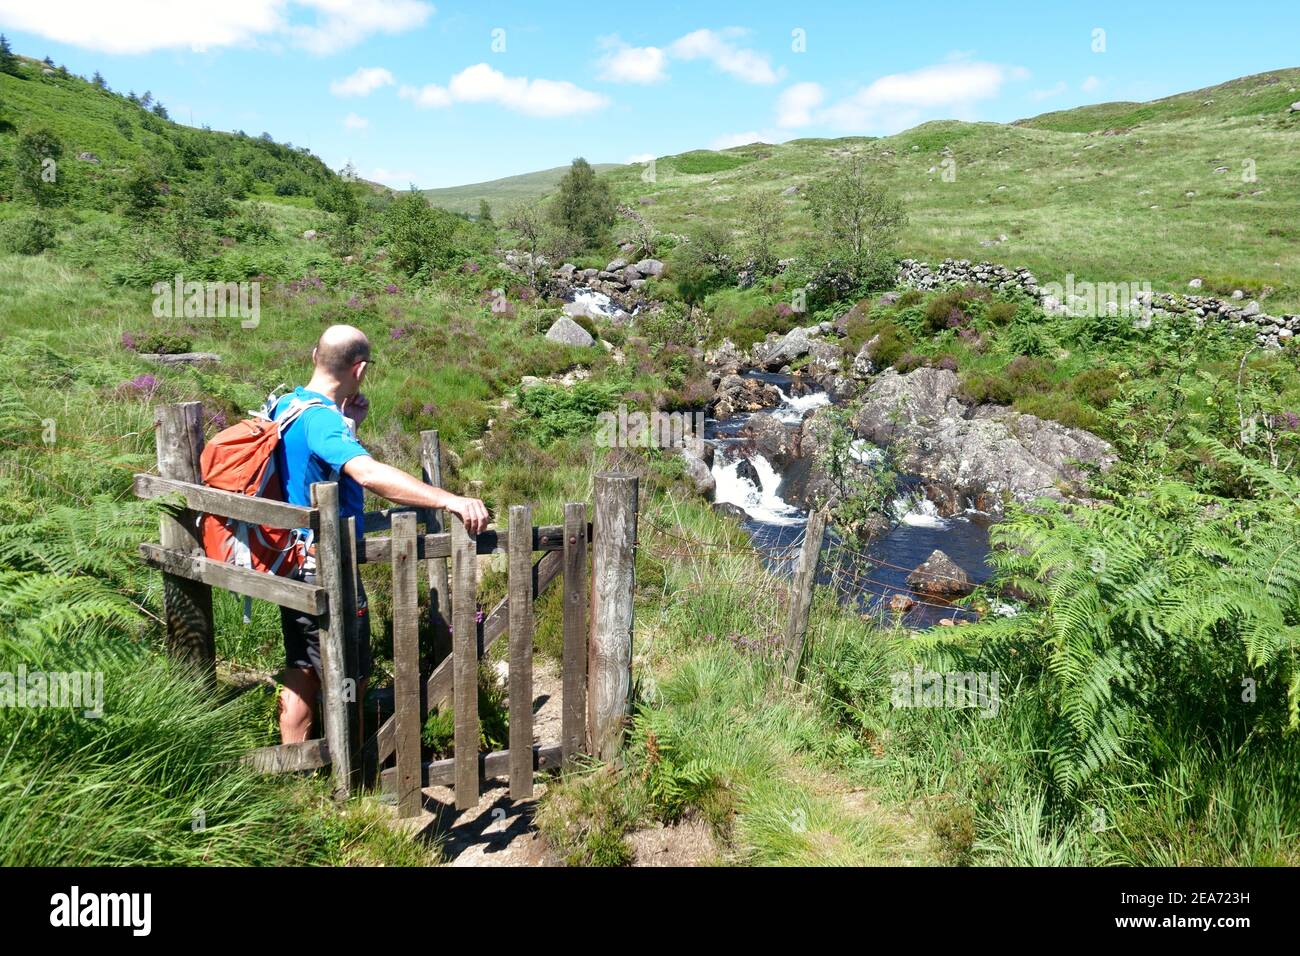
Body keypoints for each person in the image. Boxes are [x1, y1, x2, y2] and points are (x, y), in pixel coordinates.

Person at [273, 323, 489, 744]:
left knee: (302, 667)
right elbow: (369, 475)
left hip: (289, 559)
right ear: (361, 369)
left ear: (315, 355)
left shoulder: (287, 405)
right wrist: (449, 500)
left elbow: (311, 466)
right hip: (326, 567)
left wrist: (350, 424)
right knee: (348, 669)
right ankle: (352, 771)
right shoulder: (321, 421)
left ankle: (295, 769)